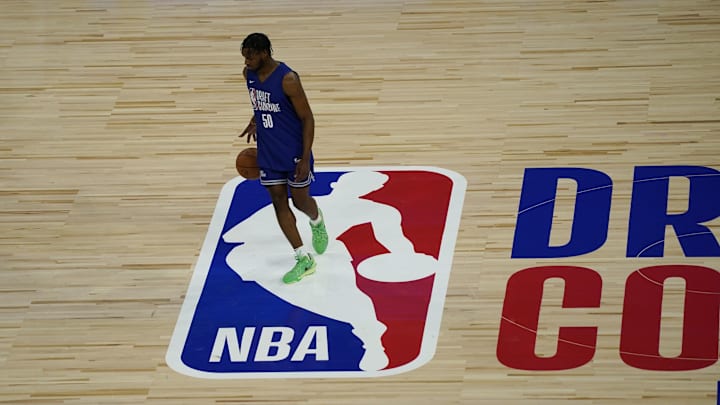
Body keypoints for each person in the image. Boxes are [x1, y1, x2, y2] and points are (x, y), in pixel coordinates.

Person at [237, 32, 328, 284]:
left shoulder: (288, 79)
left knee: (300, 202)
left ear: (265, 53)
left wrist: (305, 158)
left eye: (251, 56)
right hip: (268, 151)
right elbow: (261, 102)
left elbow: (307, 117)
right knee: (278, 201)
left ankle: (317, 220)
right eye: (244, 56)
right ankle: (303, 258)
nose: (246, 62)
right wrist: (257, 119)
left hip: (294, 152)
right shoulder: (249, 76)